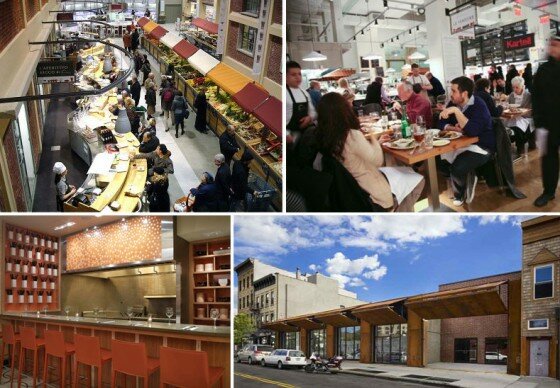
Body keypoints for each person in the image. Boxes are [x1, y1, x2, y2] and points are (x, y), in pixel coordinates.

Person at [313, 92, 424, 212]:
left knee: (403, 171)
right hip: (371, 191)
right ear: (344, 110)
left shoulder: (324, 138)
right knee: (417, 178)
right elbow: (377, 160)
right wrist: (372, 135)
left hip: (350, 191)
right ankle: (396, 213)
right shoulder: (351, 135)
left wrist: (376, 142)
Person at [438, 76, 496, 206]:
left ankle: (459, 195)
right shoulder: (453, 103)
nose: (450, 95)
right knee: (440, 163)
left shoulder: (479, 105)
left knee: (457, 168)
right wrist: (453, 127)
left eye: (453, 91)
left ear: (464, 94)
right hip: (460, 144)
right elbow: (441, 121)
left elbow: (473, 131)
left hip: (482, 146)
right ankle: (466, 177)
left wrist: (457, 112)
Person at [533, 37, 560, 207]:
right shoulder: (543, 70)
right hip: (548, 124)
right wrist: (538, 122)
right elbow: (536, 97)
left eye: (557, 45)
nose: (553, 48)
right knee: (548, 159)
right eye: (551, 45)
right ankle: (548, 192)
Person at [286, 61, 317, 134]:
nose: (298, 77)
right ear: (286, 77)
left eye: (299, 74)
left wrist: (310, 118)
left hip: (305, 134)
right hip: (291, 135)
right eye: (293, 74)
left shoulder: (305, 93)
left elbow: (313, 112)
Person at [506, 76, 533, 154]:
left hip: (526, 117)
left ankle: (520, 146)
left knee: (518, 126)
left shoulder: (528, 95)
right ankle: (508, 144)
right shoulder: (511, 95)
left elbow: (530, 110)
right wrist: (511, 109)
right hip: (514, 116)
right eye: (513, 87)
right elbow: (509, 106)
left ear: (522, 86)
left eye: (517, 87)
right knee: (505, 124)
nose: (514, 89)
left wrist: (519, 112)